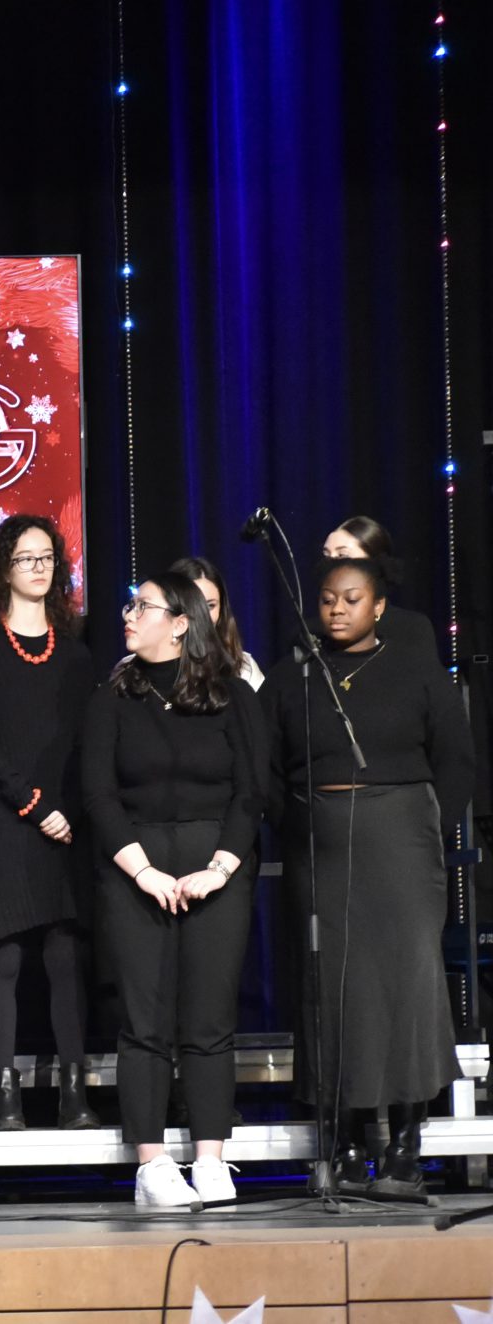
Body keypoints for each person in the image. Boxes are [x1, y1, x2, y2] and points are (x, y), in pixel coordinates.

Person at [267, 557, 470, 1199]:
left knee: (406, 984)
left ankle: (407, 1145)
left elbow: (457, 760)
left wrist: (427, 829)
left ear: (378, 606)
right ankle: (349, 1143)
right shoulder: (295, 675)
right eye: (328, 599)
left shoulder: (416, 670)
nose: (337, 609)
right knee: (335, 989)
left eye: (352, 599)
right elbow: (265, 765)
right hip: (321, 846)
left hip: (403, 843)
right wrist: (297, 824)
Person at [83, 573, 265, 1209]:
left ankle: (210, 1157)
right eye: (129, 605)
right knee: (145, 1020)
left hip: (216, 868)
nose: (128, 615)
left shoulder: (231, 695)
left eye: (143, 607)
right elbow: (99, 795)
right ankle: (152, 1164)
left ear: (181, 623)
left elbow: (252, 791)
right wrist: (143, 872)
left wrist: (219, 868)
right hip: (138, 869)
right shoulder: (112, 697)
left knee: (210, 1017)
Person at [0, 515, 100, 1132]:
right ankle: (6, 1097)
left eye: (47, 558)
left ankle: (74, 1094)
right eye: (26, 559)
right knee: (5, 958)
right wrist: (34, 805)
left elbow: (91, 742)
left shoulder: (77, 653)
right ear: (3, 569)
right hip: (7, 819)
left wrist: (67, 811)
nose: (39, 569)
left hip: (68, 821)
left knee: (66, 957)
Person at [320, 514, 440, 655]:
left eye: (342, 556)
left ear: (375, 563)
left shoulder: (412, 627)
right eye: (327, 556)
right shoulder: (311, 632)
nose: (330, 564)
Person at [167, 556, 263, 691]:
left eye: (210, 606)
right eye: (193, 605)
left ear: (221, 610)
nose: (202, 615)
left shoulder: (244, 668)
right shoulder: (146, 667)